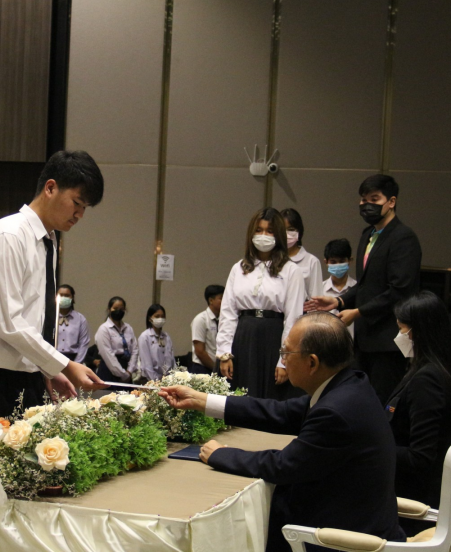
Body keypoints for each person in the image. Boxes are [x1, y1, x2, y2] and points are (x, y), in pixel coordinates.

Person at [158, 313, 405, 552]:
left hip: (344, 539)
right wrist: (200, 400)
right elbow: (278, 412)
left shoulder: (336, 411)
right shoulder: (350, 385)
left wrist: (220, 454)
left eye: (286, 353)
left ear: (312, 363)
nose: (283, 360)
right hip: (356, 519)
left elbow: (282, 466)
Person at [0, 150, 107, 433]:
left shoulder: (48, 241)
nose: (79, 215)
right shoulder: (8, 235)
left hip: (22, 375)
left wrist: (46, 370)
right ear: (50, 188)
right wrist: (64, 365)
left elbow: (34, 319)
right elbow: (7, 323)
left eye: (85, 208)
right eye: (77, 203)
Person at [309, 174, 422, 404]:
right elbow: (365, 284)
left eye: (374, 199)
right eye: (363, 199)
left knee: (382, 402)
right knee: (358, 401)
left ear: (391, 201)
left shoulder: (403, 237)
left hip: (388, 340)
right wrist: (339, 301)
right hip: (363, 339)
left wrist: (358, 312)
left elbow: (399, 290)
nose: (366, 204)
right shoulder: (367, 235)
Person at [387, 291, 451, 535]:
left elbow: (420, 457)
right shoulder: (441, 368)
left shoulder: (427, 380)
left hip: (419, 500)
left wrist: (374, 446)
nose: (398, 336)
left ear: (418, 332)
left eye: (402, 329)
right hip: (429, 490)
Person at [216, 208, 306, 399]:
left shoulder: (291, 270)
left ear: (278, 235)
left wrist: (284, 360)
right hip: (243, 337)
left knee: (269, 398)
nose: (263, 235)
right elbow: (228, 313)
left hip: (273, 338)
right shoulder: (238, 268)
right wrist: (224, 353)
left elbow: (293, 318)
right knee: (239, 397)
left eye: (269, 231)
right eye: (259, 230)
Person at [280, 208, 324, 300]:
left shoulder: (312, 261)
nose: (286, 234)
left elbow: (316, 299)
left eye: (291, 229)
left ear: (299, 232)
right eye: (282, 229)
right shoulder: (271, 259)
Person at [93, 296, 138, 382]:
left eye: (121, 309)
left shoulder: (128, 328)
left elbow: (135, 350)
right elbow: (108, 355)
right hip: (109, 371)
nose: (118, 311)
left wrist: (129, 371)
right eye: (115, 308)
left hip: (127, 369)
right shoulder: (104, 329)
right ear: (109, 310)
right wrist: (123, 375)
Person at [321, 239, 357, 338]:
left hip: (354, 343)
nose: (337, 265)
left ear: (350, 261)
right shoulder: (319, 289)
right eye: (333, 262)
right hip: (326, 342)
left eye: (342, 261)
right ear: (326, 262)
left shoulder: (358, 289)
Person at [135, 304, 175, 383]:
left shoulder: (166, 336)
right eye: (157, 316)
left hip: (167, 380)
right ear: (150, 318)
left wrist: (171, 378)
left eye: (162, 316)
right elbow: (147, 365)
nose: (160, 319)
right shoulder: (145, 337)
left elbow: (171, 360)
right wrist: (156, 381)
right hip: (150, 380)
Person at [190, 285, 224, 374]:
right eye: (221, 298)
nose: (225, 302)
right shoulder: (201, 319)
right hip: (203, 369)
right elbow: (199, 351)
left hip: (218, 368)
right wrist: (216, 370)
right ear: (211, 300)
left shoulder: (222, 320)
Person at [55, 284, 90, 364]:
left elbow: (83, 344)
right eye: (61, 295)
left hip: (72, 359)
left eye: (67, 295)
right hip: (53, 358)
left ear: (72, 298)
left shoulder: (80, 319)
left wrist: (76, 364)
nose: (63, 298)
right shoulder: (49, 318)